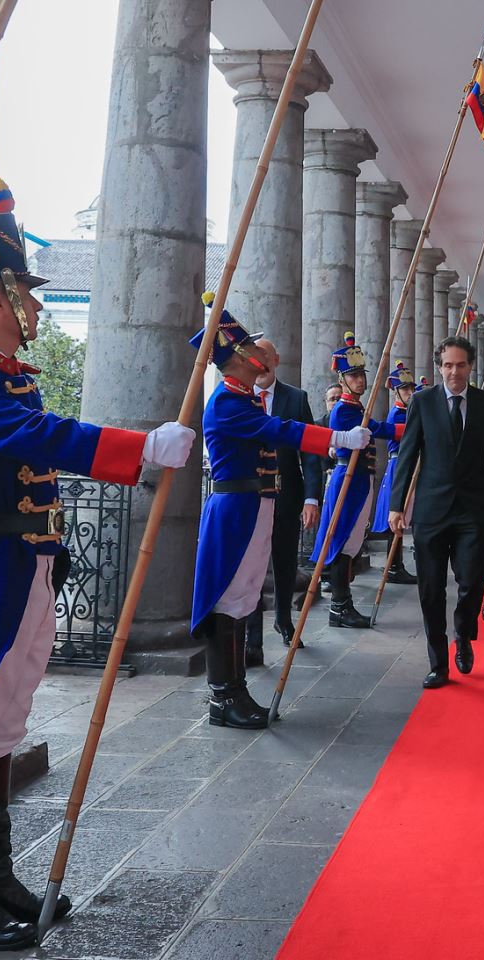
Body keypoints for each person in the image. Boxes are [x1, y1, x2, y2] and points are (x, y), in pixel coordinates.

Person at [0, 178, 196, 950]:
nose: (32, 308)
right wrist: (138, 448)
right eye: (24, 293)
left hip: (23, 563)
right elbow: (47, 440)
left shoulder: (8, 376)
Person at [189, 304, 362, 729]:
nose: (258, 353)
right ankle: (223, 696)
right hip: (236, 509)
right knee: (228, 602)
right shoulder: (229, 401)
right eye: (249, 346)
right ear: (237, 357)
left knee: (244, 597)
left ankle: (236, 690)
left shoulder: (242, 396)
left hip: (255, 505)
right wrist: (336, 435)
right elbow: (281, 431)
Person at [389, 336, 484, 688]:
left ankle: (464, 634)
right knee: (431, 588)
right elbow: (407, 456)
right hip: (431, 510)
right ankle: (438, 662)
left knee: (471, 581)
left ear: (470, 367)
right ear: (439, 368)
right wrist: (397, 506)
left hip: (473, 509)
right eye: (448, 365)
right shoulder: (422, 403)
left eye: (461, 365)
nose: (454, 372)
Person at [243, 337, 326, 664]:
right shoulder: (242, 397)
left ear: (276, 359)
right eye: (255, 356)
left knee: (284, 560)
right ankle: (252, 635)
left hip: (287, 494)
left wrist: (311, 498)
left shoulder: (295, 398)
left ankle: (283, 619)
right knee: (252, 566)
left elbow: (309, 452)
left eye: (266, 355)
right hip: (250, 496)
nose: (260, 361)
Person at [314, 333, 402, 628]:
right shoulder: (343, 410)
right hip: (347, 481)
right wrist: (407, 429)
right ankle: (339, 607)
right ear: (342, 379)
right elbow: (378, 429)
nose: (360, 380)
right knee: (342, 542)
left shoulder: (355, 408)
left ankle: (343, 605)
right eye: (353, 375)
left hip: (360, 481)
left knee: (351, 543)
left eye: (362, 374)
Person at [370, 361, 419, 586]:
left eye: (411, 388)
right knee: (395, 516)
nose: (410, 392)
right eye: (405, 389)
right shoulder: (397, 414)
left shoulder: (409, 411)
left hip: (408, 466)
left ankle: (397, 564)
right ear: (396, 392)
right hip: (398, 467)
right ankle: (393, 566)